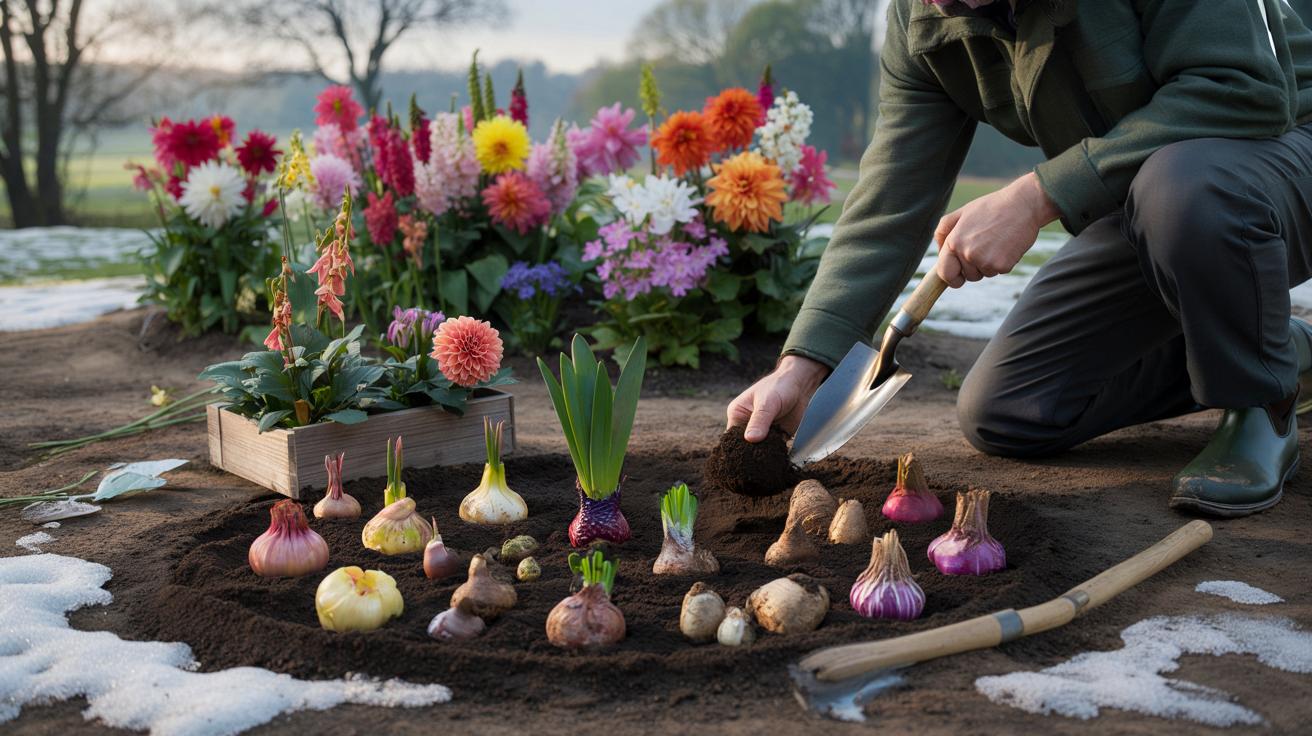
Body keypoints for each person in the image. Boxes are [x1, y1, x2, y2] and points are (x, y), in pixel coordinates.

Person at [727, 0, 1312, 518]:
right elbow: (890, 200)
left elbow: (1243, 89)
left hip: (1276, 153)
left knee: (1182, 185)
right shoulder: (921, 20)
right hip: (1150, 200)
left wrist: (1037, 196)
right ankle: (1276, 347)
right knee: (1011, 409)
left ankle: (1259, 403)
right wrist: (802, 366)